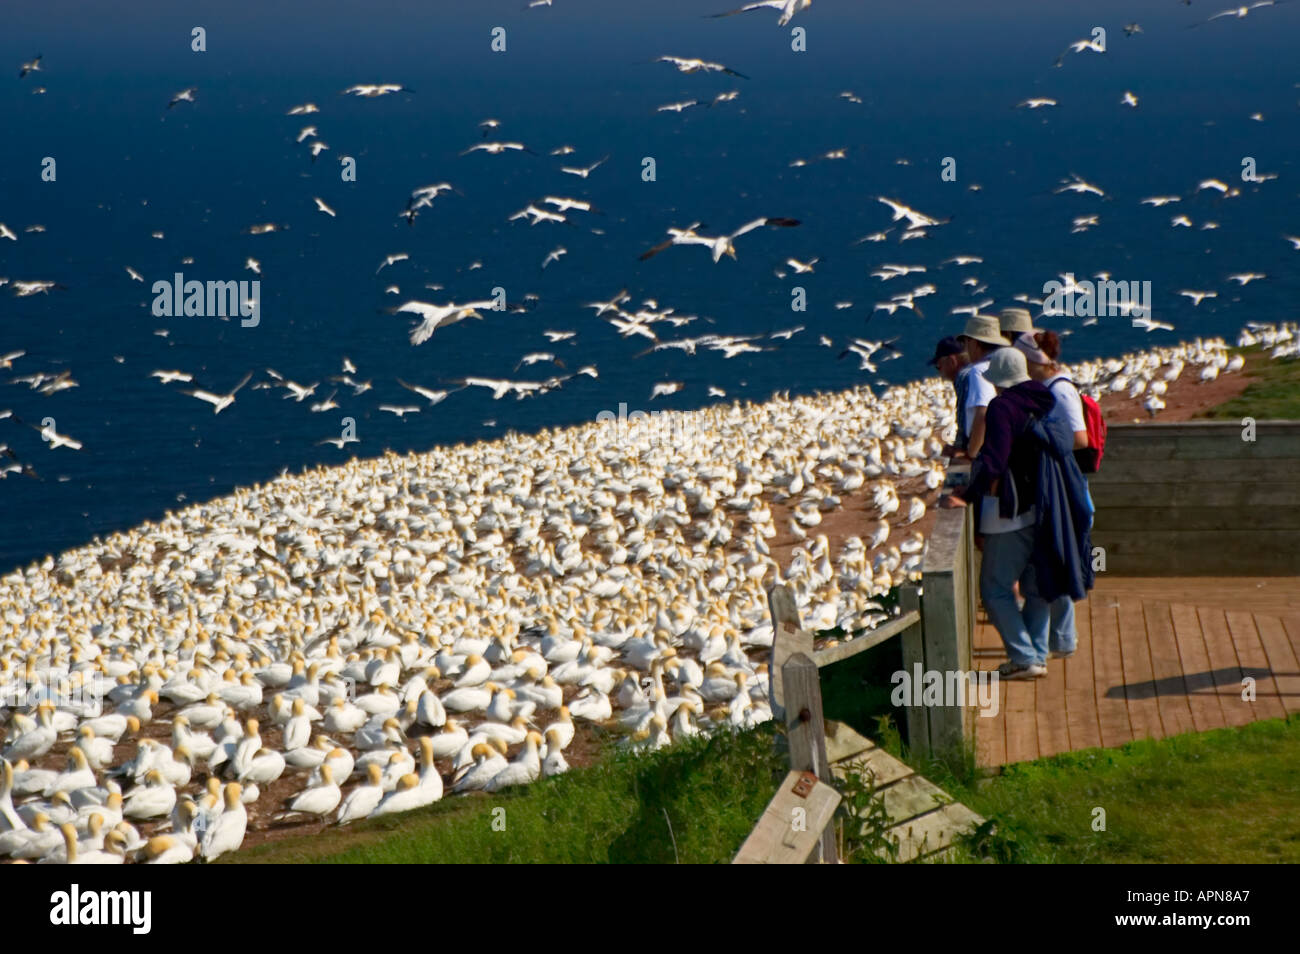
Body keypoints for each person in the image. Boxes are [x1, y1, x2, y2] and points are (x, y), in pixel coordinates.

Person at [939, 348, 1056, 679]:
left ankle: (1023, 657)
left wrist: (969, 495)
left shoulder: (1003, 407)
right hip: (1044, 506)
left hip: (1012, 509)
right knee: (1035, 587)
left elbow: (994, 460)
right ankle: (1038, 654)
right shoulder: (1043, 400)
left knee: (993, 588)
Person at [1014, 330, 1090, 658]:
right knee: (1053, 563)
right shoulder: (1044, 388)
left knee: (1053, 562)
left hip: (1062, 487)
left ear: (1034, 361)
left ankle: (1047, 644)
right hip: (1054, 485)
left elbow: (1080, 438)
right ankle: (1061, 640)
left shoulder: (1060, 391)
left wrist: (1042, 441)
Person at [954, 315, 1007, 459]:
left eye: (966, 342)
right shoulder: (1004, 366)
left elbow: (983, 412)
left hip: (986, 449)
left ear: (975, 343)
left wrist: (971, 452)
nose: (965, 348)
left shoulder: (979, 370)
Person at [929, 336, 971, 455]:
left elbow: (979, 415)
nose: (940, 371)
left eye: (939, 366)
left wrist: (966, 452)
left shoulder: (964, 378)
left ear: (952, 361)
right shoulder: (973, 373)